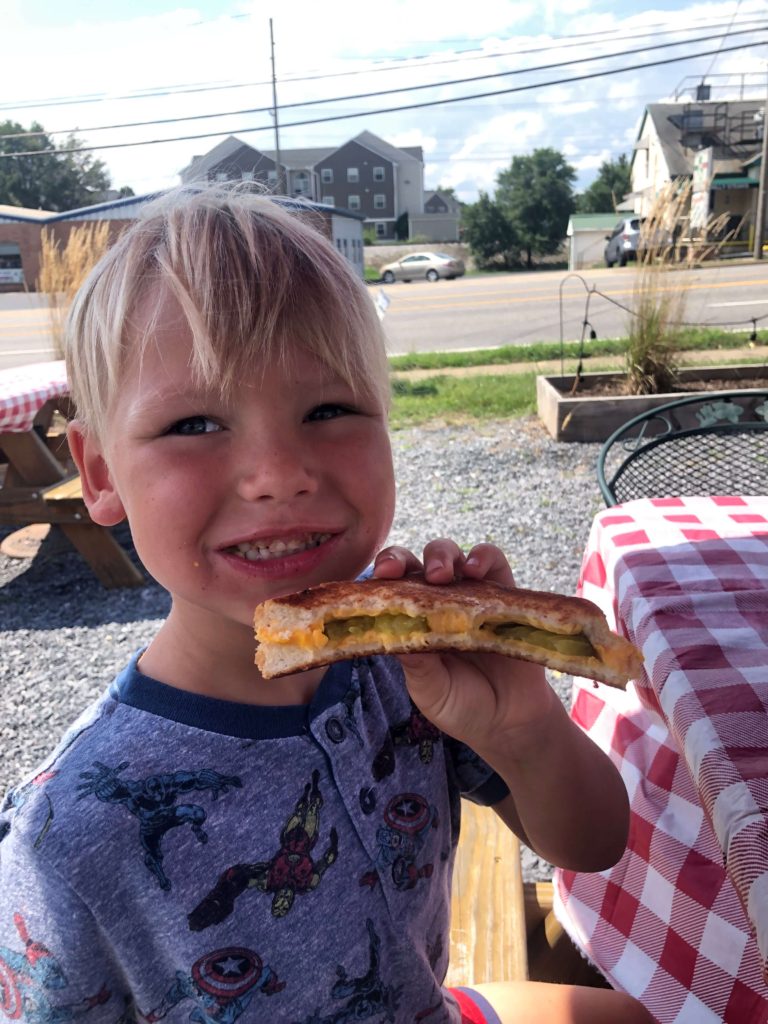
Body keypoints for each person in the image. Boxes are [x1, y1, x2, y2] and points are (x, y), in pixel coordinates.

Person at [0, 185, 652, 1024]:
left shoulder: (404, 673)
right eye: (195, 424)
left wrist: (518, 722)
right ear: (97, 473)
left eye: (329, 409)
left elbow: (591, 843)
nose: (280, 473)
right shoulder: (73, 834)